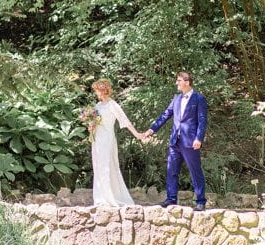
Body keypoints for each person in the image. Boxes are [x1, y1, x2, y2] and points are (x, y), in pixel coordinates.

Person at [143, 71, 209, 211]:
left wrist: (199, 138)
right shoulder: (176, 98)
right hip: (175, 141)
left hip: (191, 142)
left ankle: (201, 201)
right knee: (171, 170)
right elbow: (165, 115)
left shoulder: (199, 98)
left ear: (187, 82)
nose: (176, 83)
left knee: (195, 171)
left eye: (179, 80)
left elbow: (202, 120)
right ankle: (171, 199)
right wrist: (151, 130)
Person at [89, 78, 145, 207]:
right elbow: (96, 123)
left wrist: (137, 134)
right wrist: (91, 127)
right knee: (98, 166)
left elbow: (124, 120)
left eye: (97, 91)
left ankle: (110, 197)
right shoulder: (97, 106)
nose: (96, 93)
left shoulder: (112, 104)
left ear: (103, 91)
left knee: (107, 165)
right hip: (97, 139)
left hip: (107, 138)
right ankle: (100, 197)